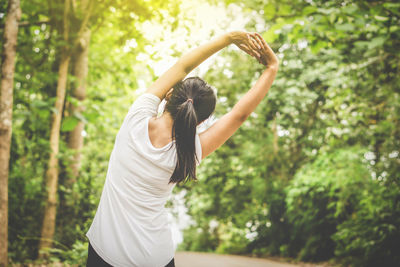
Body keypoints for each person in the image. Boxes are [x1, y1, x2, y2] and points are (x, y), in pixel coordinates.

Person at [85, 31, 279, 267]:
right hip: (155, 258)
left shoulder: (135, 119)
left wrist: (228, 39)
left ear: (168, 95)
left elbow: (183, 65)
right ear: (198, 122)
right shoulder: (189, 152)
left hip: (105, 252)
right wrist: (271, 68)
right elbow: (239, 115)